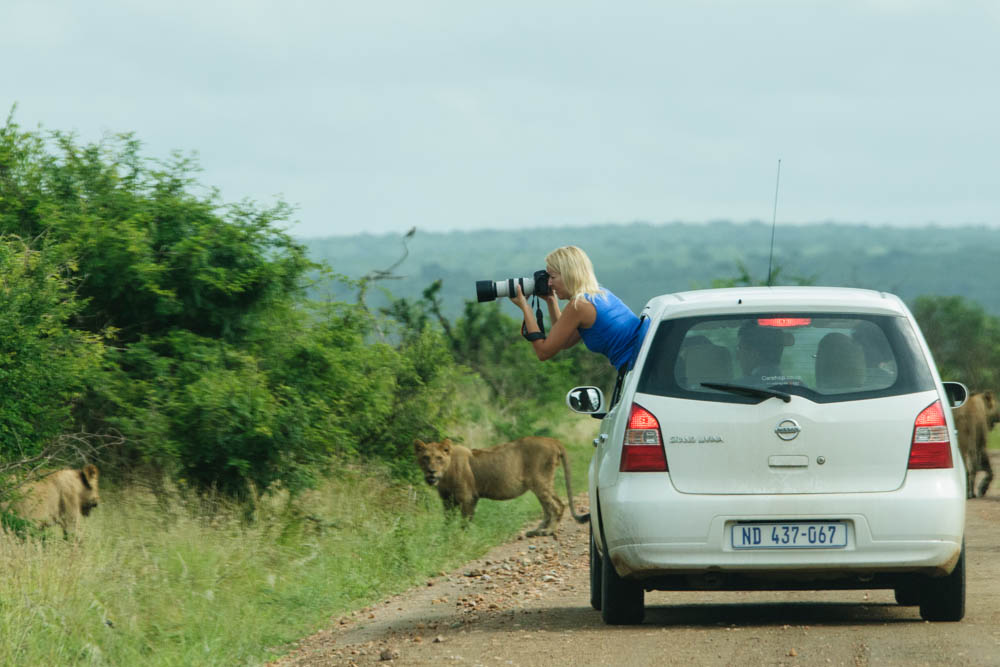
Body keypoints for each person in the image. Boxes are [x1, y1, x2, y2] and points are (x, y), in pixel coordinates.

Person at [509, 245, 649, 371]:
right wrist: (551, 301)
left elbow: (543, 352)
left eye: (552, 277)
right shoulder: (600, 294)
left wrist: (525, 307)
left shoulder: (579, 305)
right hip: (642, 363)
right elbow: (564, 341)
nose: (549, 283)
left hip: (636, 368)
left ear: (569, 275)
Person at [735, 320, 789, 385]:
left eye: (739, 348)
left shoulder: (735, 389)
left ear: (753, 353)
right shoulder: (799, 387)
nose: (737, 357)